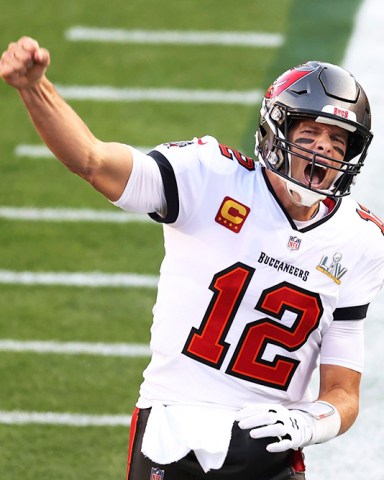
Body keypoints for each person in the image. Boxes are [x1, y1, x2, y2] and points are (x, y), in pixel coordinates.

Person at [1, 37, 383, 480]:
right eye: (310, 132)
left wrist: (309, 422)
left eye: (338, 140)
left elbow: (343, 392)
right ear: (277, 133)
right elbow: (92, 160)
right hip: (174, 426)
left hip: (271, 446)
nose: (323, 149)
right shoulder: (209, 177)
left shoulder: (360, 241)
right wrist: (34, 87)